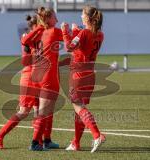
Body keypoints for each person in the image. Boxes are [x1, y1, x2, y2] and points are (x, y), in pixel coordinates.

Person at [0, 13, 59, 150]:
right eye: (40, 25)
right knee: (24, 111)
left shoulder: (43, 34)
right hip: (29, 75)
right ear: (36, 25)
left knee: (40, 110)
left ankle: (42, 141)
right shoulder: (29, 36)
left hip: (38, 75)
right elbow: (28, 57)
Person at [61, 5, 106, 153]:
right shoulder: (100, 34)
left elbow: (69, 47)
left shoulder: (84, 33)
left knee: (78, 107)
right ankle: (76, 143)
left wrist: (65, 32)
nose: (80, 16)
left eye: (82, 14)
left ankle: (97, 135)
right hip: (90, 75)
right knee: (79, 110)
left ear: (87, 17)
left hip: (78, 75)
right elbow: (85, 44)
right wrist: (76, 31)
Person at [21, 7, 63, 151]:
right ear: (47, 19)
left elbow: (25, 40)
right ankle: (35, 143)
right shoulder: (54, 31)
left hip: (37, 75)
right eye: (54, 18)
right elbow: (71, 43)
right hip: (48, 76)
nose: (57, 20)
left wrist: (38, 27)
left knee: (45, 111)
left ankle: (45, 141)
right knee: (44, 112)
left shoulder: (38, 32)